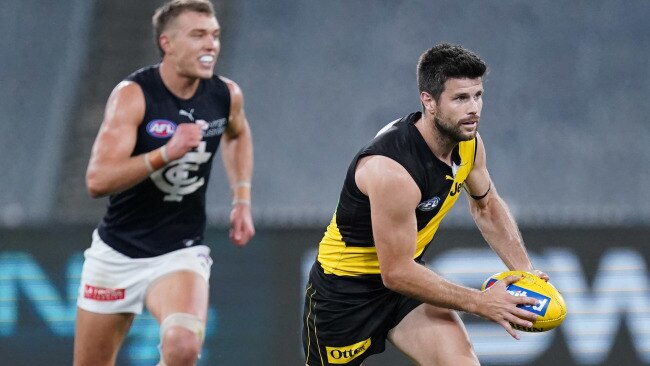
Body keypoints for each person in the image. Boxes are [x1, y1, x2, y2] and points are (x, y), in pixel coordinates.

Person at [302, 43, 549, 366]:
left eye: (477, 95)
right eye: (460, 98)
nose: (474, 108)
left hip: (406, 289)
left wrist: (525, 272)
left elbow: (486, 204)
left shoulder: (468, 144)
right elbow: (396, 272)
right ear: (428, 102)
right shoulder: (393, 170)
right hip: (345, 295)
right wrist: (480, 302)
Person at [74, 1, 255, 365]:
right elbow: (97, 180)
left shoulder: (225, 95)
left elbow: (237, 134)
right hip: (117, 254)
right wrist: (164, 153)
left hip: (179, 252)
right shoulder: (133, 95)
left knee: (183, 346)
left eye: (215, 36)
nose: (211, 45)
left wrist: (241, 199)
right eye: (198, 35)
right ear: (167, 43)